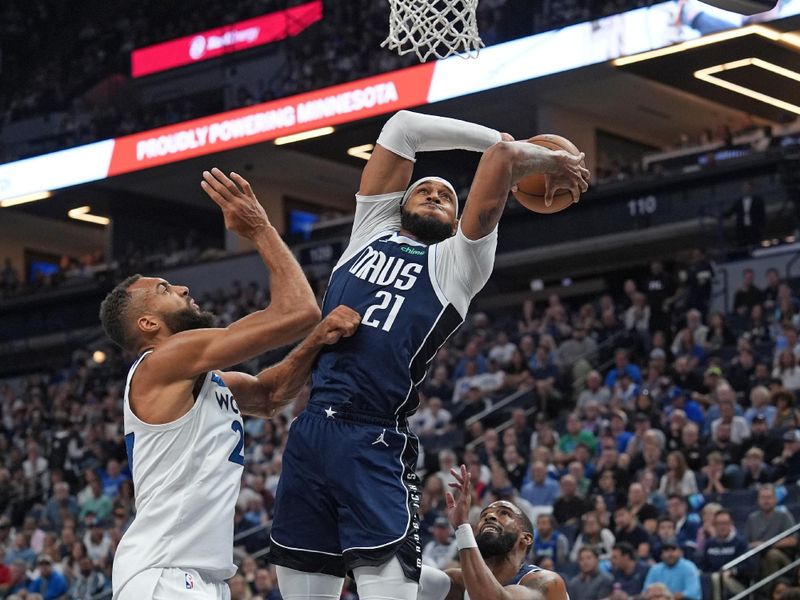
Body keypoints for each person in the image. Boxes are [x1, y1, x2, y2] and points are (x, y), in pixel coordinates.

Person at [267, 109, 588, 600]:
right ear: (398, 204)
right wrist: (511, 142)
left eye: (447, 196)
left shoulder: (459, 262)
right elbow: (402, 127)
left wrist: (532, 154)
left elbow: (501, 158)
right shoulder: (369, 231)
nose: (435, 193)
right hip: (310, 434)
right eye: (424, 189)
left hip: (374, 436)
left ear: (459, 220)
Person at [101, 168, 361, 600]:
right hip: (163, 573)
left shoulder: (204, 380)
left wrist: (315, 343)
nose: (183, 287)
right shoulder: (163, 360)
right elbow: (297, 311)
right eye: (165, 288)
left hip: (197, 576)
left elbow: (269, 395)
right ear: (147, 324)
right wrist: (259, 228)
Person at [418, 464, 569, 600]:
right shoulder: (460, 581)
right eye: (483, 516)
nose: (489, 516)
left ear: (526, 538)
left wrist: (462, 527)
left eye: (504, 513)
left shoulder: (546, 582)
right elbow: (412, 575)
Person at [745, 484, 798, 577]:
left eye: (769, 497)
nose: (766, 501)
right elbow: (747, 543)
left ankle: (769, 590)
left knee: (771, 555)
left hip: (782, 557)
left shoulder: (784, 516)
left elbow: (792, 541)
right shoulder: (752, 518)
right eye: (763, 498)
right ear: (758, 500)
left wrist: (765, 545)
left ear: (775, 499)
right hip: (757, 557)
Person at [698, 509, 751, 600]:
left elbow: (748, 566)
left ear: (731, 524)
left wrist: (732, 571)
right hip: (713, 581)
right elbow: (704, 566)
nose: (722, 527)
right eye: (719, 524)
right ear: (714, 525)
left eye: (725, 523)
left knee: (716, 578)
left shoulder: (740, 543)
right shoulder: (709, 543)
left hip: (736, 584)